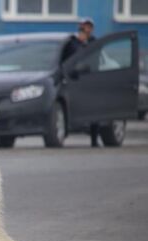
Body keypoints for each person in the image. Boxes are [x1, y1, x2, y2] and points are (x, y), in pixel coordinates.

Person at [62, 17, 100, 147]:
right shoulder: (72, 43)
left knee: (94, 110)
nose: (87, 30)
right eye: (85, 27)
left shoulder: (94, 42)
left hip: (91, 80)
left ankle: (94, 139)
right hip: (75, 80)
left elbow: (97, 59)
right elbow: (66, 61)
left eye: (89, 27)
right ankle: (64, 135)